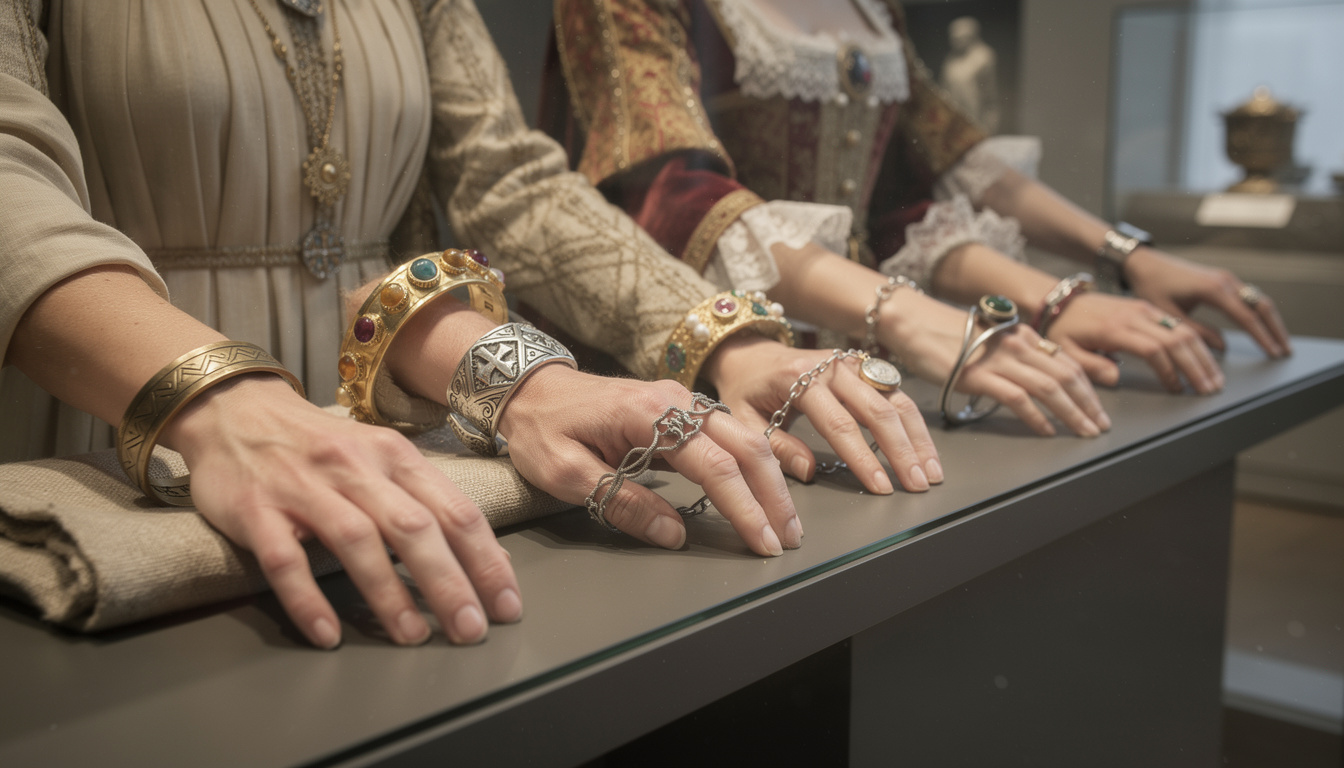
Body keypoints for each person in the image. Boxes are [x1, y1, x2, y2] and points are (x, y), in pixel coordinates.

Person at [0, 0, 940, 647]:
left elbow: (510, 180)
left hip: (392, 443)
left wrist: (722, 336)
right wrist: (219, 403)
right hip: (108, 424)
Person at [544, 0, 1292, 439]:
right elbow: (670, 198)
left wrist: (1110, 265)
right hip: (696, 362)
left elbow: (917, 188)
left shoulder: (874, 9)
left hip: (861, 368)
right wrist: (909, 315)